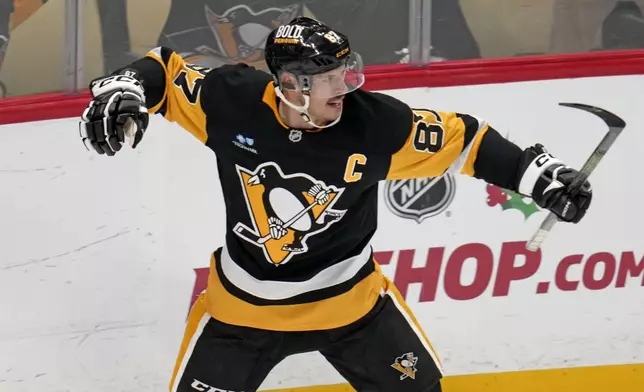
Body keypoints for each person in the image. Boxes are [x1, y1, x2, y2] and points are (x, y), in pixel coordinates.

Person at [78, 17, 592, 392]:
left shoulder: (375, 124)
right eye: (328, 77)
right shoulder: (232, 102)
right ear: (289, 85)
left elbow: (469, 141)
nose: (345, 85)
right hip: (241, 316)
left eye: (347, 71)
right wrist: (123, 90)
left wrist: (543, 178)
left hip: (354, 309)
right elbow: (164, 73)